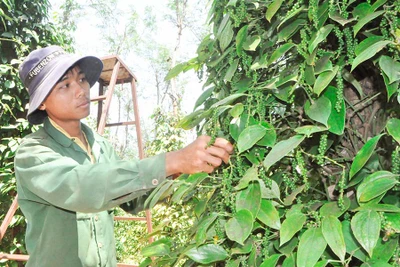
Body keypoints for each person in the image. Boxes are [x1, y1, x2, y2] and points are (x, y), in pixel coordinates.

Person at [14, 45, 233, 267]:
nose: (81, 90)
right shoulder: (33, 153)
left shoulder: (100, 146)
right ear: (42, 102)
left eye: (81, 79)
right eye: (65, 85)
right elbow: (83, 187)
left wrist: (183, 171)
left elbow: (133, 199)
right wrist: (172, 160)